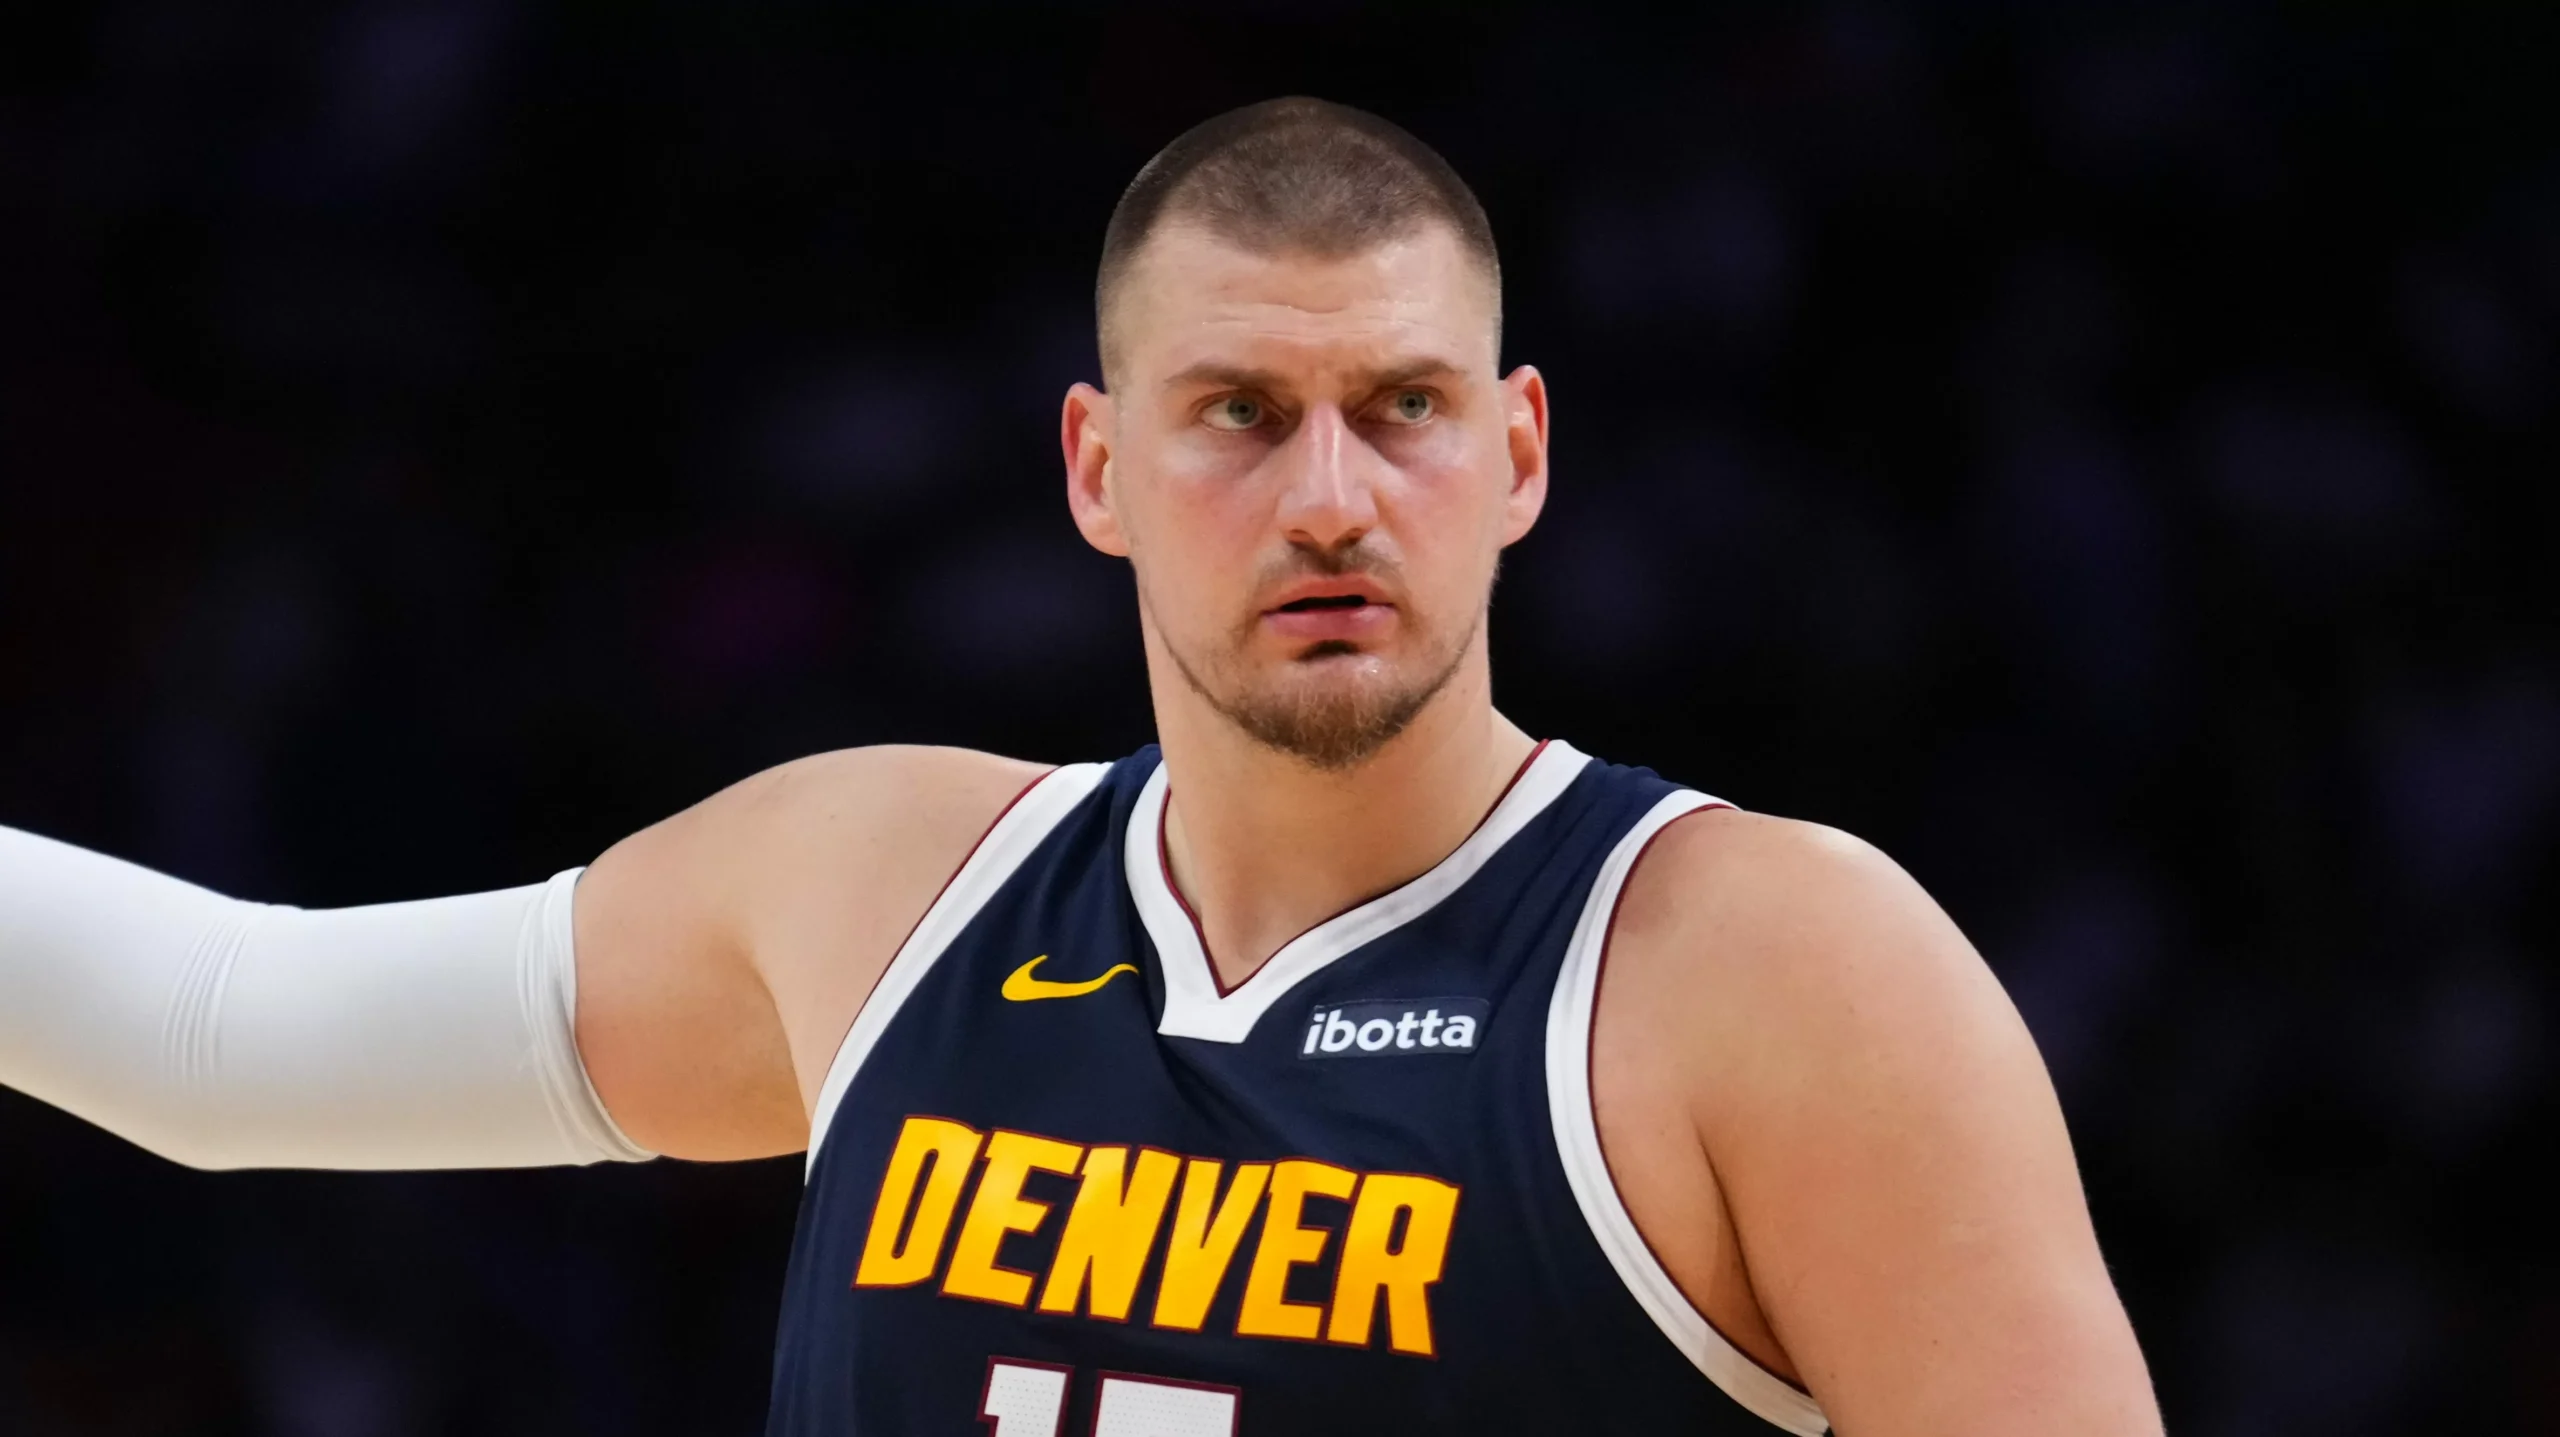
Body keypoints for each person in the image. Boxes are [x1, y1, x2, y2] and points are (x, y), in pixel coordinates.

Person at [0, 98, 2160, 1435]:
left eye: (1402, 409)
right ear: (1097, 467)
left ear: (1516, 455)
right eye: (1239, 415)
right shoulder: (880, 886)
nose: (1330, 497)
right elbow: (219, 1034)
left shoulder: (1765, 968)